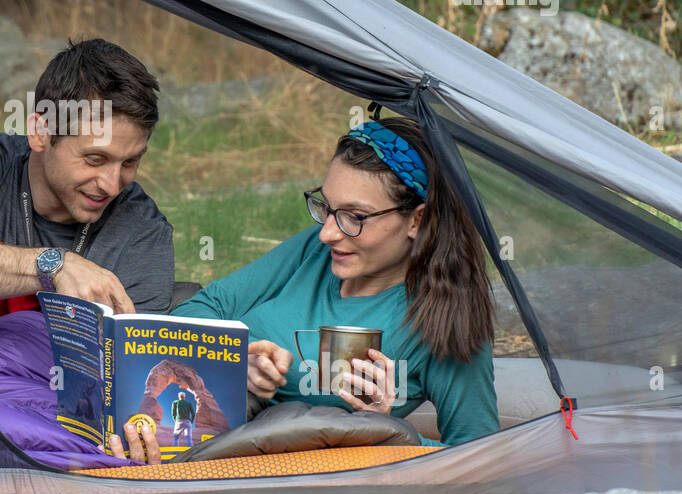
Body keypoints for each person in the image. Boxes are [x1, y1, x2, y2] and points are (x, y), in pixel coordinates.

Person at [111, 116, 498, 460]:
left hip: (280, 457)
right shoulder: (312, 252)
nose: (328, 232)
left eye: (354, 217)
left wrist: (385, 431)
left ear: (417, 220)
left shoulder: (444, 319)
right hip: (207, 416)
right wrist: (234, 359)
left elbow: (477, 455)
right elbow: (198, 310)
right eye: (327, 208)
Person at [0, 38, 175, 315]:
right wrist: (54, 266)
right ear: (40, 133)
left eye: (130, 161)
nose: (112, 184)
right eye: (95, 159)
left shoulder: (143, 230)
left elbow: (134, 353)